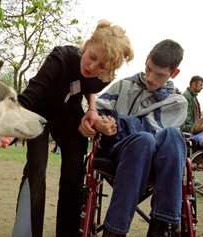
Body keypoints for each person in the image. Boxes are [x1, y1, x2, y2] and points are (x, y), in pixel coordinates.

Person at [11, 19, 134, 237]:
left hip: (68, 114)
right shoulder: (61, 57)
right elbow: (32, 92)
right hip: (39, 111)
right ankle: (26, 233)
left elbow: (89, 85)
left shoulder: (102, 77)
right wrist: (10, 124)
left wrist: (93, 110)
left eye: (101, 67)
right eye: (92, 57)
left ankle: (67, 233)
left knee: (74, 171)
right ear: (86, 45)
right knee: (37, 169)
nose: (92, 67)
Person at [79, 39, 188, 236]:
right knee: (143, 140)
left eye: (160, 75)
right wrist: (98, 122)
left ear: (174, 74)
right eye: (149, 69)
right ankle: (115, 231)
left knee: (171, 134)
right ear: (146, 60)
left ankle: (162, 226)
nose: (151, 78)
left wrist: (116, 122)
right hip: (120, 152)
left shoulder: (178, 102)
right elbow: (95, 111)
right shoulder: (124, 85)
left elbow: (152, 130)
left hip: (160, 163)